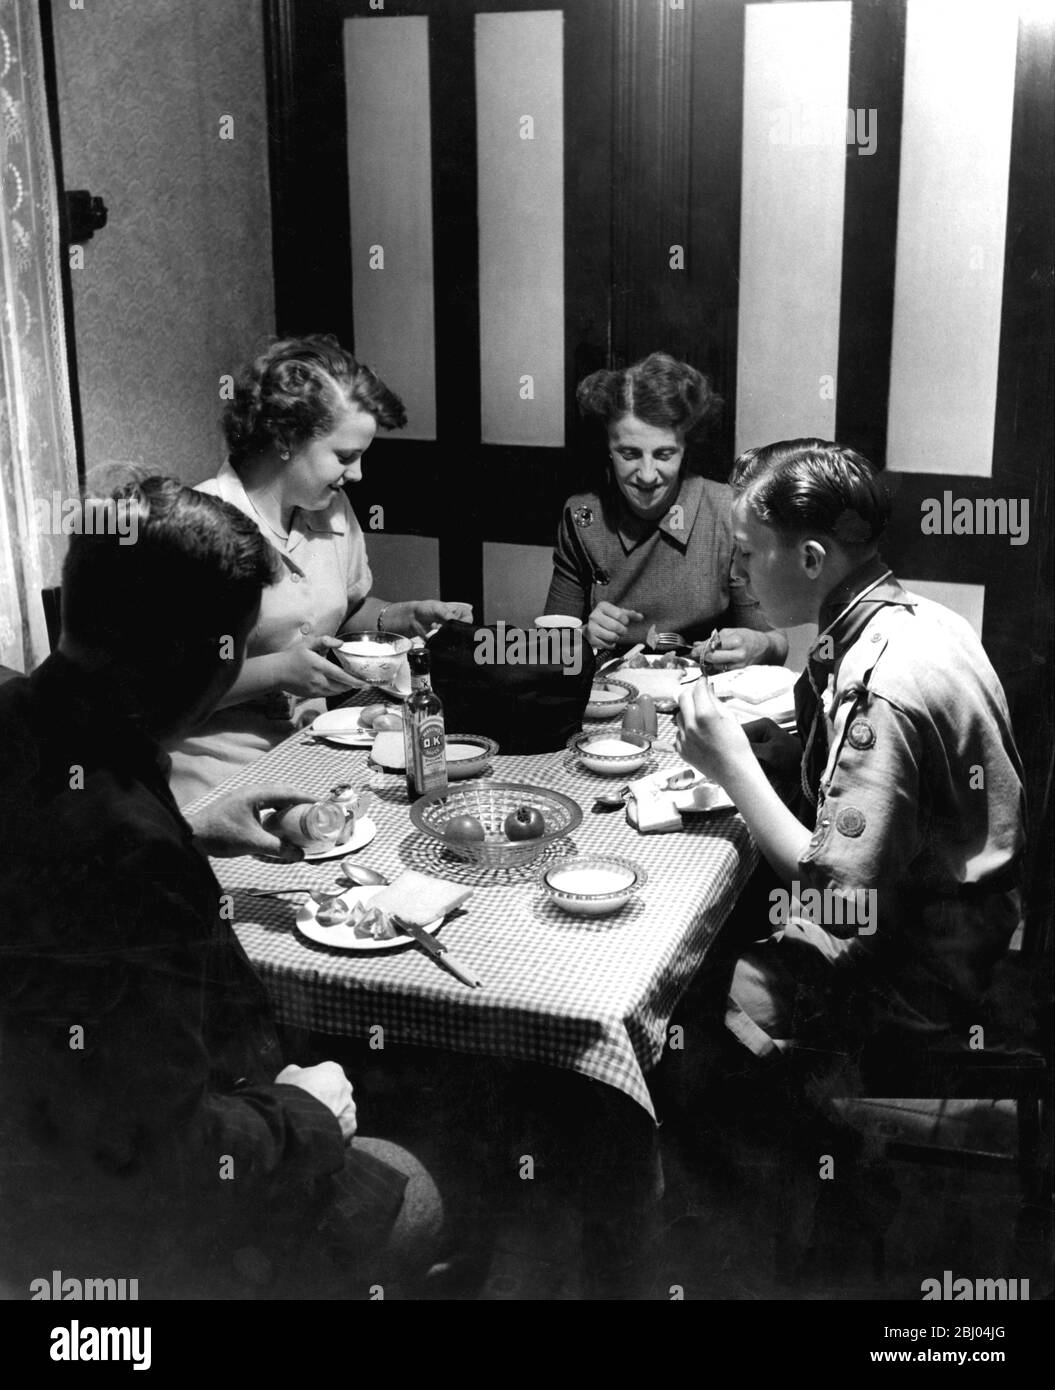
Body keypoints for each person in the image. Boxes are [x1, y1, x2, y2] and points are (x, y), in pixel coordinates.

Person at [0, 478, 448, 1299]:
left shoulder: (20, 716)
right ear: (195, 659)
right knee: (418, 1184)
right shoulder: (127, 859)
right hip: (111, 1244)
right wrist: (307, 1112)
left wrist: (196, 821)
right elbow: (169, 1161)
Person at [673, 439, 1026, 1074]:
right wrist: (788, 752)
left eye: (749, 553)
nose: (741, 570)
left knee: (685, 1002)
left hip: (924, 971)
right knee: (718, 928)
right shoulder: (919, 616)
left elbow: (836, 900)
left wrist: (733, 767)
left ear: (811, 558)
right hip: (970, 924)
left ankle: (790, 1159)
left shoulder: (879, 683)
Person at [166, 335, 471, 806]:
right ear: (287, 439)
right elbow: (165, 690)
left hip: (311, 753)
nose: (358, 474)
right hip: (214, 781)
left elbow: (345, 609)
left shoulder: (331, 508)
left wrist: (401, 616)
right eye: (345, 457)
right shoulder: (196, 528)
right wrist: (276, 672)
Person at [543, 352, 788, 667]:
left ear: (685, 449)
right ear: (608, 447)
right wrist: (584, 637)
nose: (646, 474)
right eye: (629, 453)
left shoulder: (727, 511)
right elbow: (547, 651)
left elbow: (777, 644)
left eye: (664, 454)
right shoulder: (582, 517)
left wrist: (761, 645)